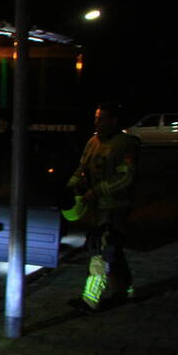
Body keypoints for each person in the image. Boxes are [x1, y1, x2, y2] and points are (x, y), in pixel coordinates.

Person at [65, 102, 140, 312]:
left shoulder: (125, 144)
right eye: (96, 118)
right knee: (113, 250)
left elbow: (126, 177)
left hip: (115, 207)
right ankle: (125, 290)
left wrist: (97, 191)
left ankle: (91, 299)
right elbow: (82, 168)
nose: (97, 122)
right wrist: (71, 185)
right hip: (96, 208)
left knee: (100, 250)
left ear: (114, 120)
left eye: (102, 118)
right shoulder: (93, 141)